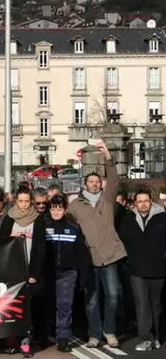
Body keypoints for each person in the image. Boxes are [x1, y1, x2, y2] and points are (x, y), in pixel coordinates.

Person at [66, 141, 126, 349]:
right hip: (89, 258)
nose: (94, 184)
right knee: (91, 299)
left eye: (96, 181)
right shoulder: (75, 206)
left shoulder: (108, 200)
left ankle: (109, 332)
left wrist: (107, 156)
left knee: (113, 295)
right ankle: (94, 334)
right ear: (85, 184)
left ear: (100, 184)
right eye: (90, 181)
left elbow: (115, 179)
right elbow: (65, 223)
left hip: (110, 254)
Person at [0, 189, 46, 357]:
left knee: (27, 308)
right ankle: (11, 340)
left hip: (28, 272)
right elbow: (1, 245)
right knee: (10, 306)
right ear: (16, 201)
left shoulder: (38, 220)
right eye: (21, 201)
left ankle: (26, 342)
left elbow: (40, 249)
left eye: (27, 201)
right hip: (11, 271)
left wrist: (35, 273)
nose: (24, 204)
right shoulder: (9, 219)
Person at [118, 190, 166, 352]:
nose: (143, 204)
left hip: (159, 269)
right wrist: (128, 261)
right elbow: (122, 241)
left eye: (146, 200)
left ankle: (157, 335)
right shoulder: (128, 219)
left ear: (151, 201)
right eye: (140, 201)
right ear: (135, 203)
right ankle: (146, 338)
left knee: (156, 304)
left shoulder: (162, 217)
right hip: (137, 270)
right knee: (141, 304)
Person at [44, 195, 89, 353]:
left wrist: (83, 275)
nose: (56, 212)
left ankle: (63, 338)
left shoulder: (73, 227)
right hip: (48, 272)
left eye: (59, 209)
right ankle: (46, 333)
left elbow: (81, 253)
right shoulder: (43, 225)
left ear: (65, 209)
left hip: (68, 272)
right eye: (53, 209)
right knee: (47, 304)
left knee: (64, 305)